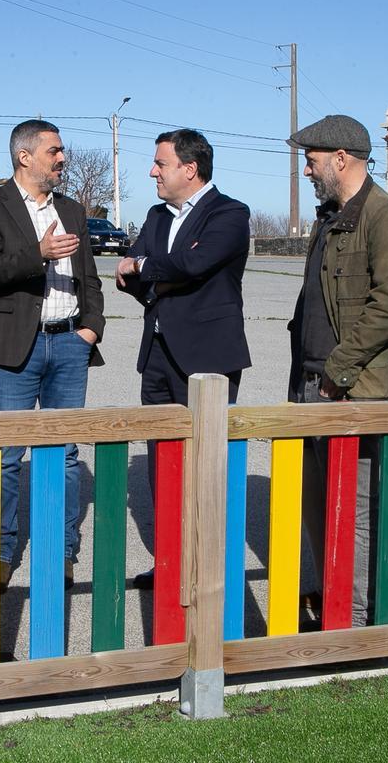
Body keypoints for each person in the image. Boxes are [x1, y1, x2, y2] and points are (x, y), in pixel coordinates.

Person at [286, 114, 388, 628]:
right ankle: (333, 602)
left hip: (355, 390)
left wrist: (337, 372)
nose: (306, 170)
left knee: (357, 511)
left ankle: (359, 622)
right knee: (320, 506)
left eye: (312, 160)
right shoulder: (331, 218)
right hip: (315, 384)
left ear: (341, 159)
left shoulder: (385, 218)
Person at [0, 119, 106, 593]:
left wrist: (90, 329)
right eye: (54, 151)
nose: (62, 158)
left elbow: (89, 276)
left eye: (61, 150)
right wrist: (39, 252)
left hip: (69, 343)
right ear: (25, 156)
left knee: (65, 455)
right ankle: (2, 551)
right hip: (13, 348)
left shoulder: (71, 209)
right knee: (7, 454)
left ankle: (60, 549)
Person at [115, 129, 252, 590]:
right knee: (163, 465)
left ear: (189, 169)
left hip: (207, 356)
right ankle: (171, 563)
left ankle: (208, 570)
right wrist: (155, 268)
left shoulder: (229, 213)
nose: (152, 171)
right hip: (157, 354)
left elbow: (193, 265)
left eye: (160, 163)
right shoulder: (156, 216)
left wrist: (147, 265)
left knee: (205, 467)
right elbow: (130, 276)